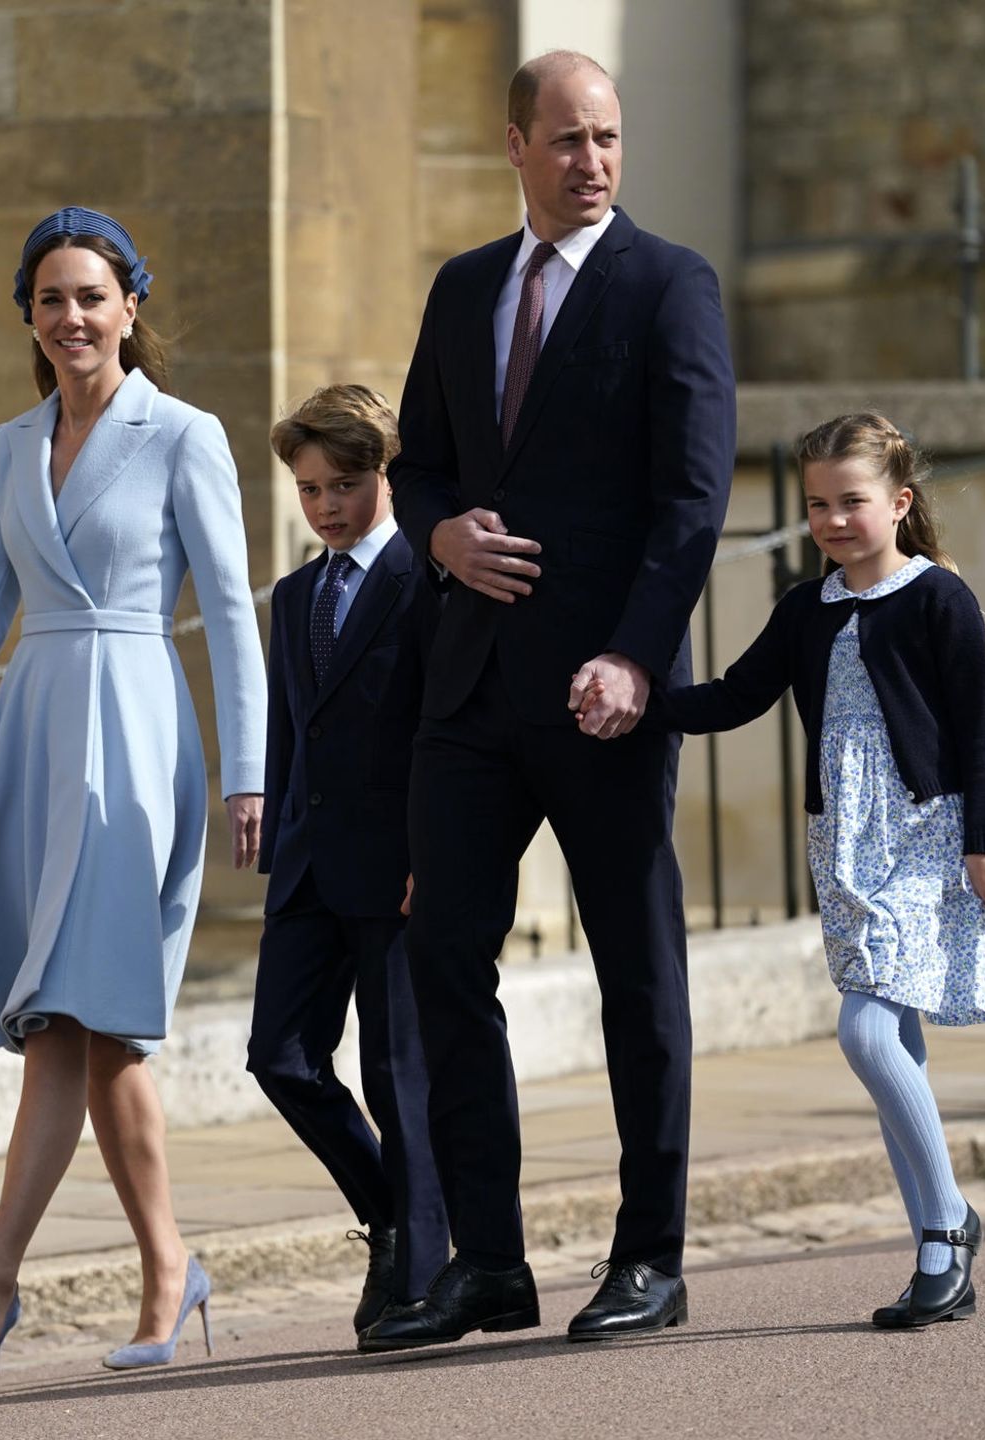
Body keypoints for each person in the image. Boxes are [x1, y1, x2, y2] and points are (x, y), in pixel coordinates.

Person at [358, 52, 735, 1353]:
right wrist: (444, 535)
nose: (594, 161)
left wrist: (635, 656)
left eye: (610, 139)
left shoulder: (668, 284)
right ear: (515, 143)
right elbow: (417, 469)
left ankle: (651, 1256)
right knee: (442, 960)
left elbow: (692, 504)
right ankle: (491, 1267)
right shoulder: (465, 288)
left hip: (605, 699)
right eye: (568, 139)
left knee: (639, 971)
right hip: (468, 695)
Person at [0, 207, 266, 1379]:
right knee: (86, 1032)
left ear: (131, 304)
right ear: (28, 319)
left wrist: (252, 773)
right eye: (50, 299)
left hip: (136, 741)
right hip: (39, 736)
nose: (72, 317)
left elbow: (233, 613)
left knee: (75, 1022)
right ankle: (167, 1268)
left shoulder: (184, 434)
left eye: (92, 296)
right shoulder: (8, 446)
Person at [610, 412, 985, 1328]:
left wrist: (984, 843)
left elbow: (979, 731)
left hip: (923, 836)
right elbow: (735, 696)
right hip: (843, 843)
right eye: (817, 505)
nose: (834, 520)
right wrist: (639, 698)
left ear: (900, 503)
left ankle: (948, 1227)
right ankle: (937, 1248)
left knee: (868, 1036)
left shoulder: (938, 599)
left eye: (854, 502)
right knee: (894, 1049)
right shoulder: (804, 608)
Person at [247, 384, 448, 1335]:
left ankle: (414, 1268)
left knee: (395, 1072)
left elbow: (440, 736)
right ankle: (393, 1216)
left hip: (399, 867)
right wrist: (281, 840)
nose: (327, 505)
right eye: (309, 487)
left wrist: (434, 852)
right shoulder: (292, 598)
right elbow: (293, 732)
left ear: (387, 477)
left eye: (346, 483)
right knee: (280, 1058)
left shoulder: (425, 580)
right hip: (308, 867)